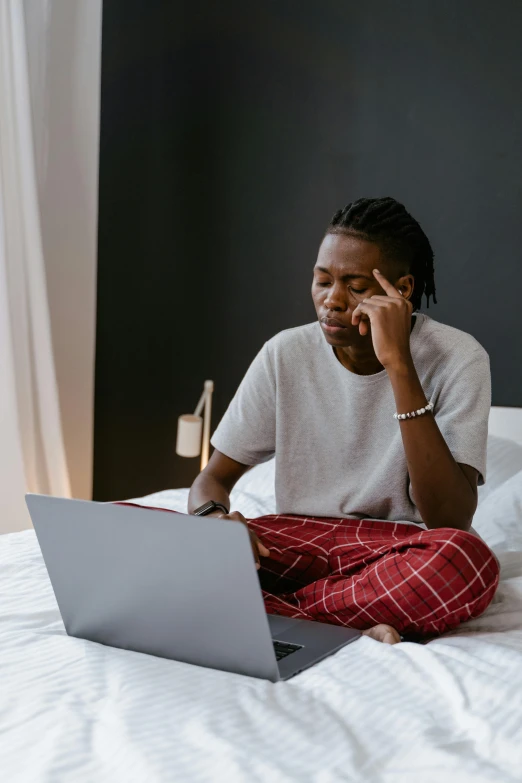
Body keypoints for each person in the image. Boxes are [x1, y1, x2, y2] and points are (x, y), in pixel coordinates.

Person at [188, 197, 500, 644]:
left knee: (464, 560)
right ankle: (342, 613)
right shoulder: (285, 353)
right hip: (295, 539)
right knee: (134, 528)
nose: (331, 301)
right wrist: (212, 520)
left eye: (355, 286)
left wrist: (399, 366)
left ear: (403, 289)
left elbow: (448, 519)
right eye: (322, 281)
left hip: (397, 549)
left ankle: (270, 611)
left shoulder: (459, 358)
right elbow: (211, 479)